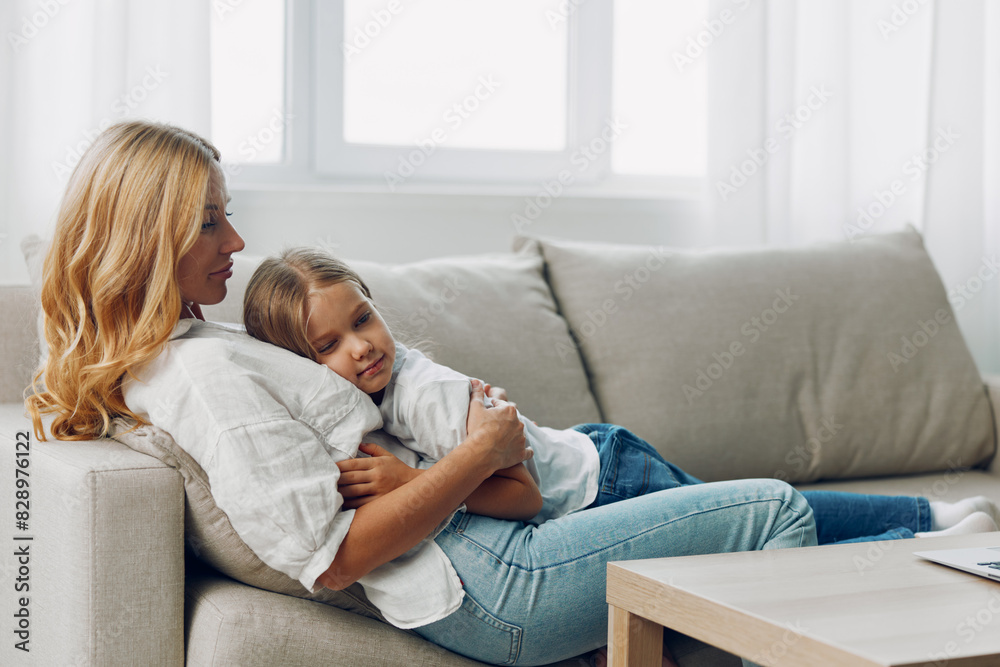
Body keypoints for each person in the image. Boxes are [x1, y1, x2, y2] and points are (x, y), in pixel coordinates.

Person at [20, 120, 993, 667]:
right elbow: (327, 556)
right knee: (769, 512)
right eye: (208, 224)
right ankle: (926, 564)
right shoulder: (198, 374)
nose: (235, 242)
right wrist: (476, 456)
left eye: (228, 216)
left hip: (492, 540)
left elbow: (357, 471)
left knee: (731, 547)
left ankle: (935, 553)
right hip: (486, 580)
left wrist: (430, 464)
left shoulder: (192, 347)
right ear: (143, 236)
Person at [242, 247, 1000, 542]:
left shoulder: (423, 388)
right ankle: (929, 521)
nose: (363, 345)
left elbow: (524, 494)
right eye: (329, 346)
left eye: (364, 317)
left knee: (768, 517)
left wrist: (415, 485)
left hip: (608, 479)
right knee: (764, 514)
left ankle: (930, 521)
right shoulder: (356, 406)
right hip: (597, 466)